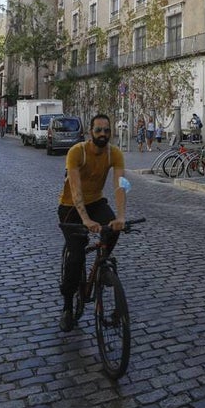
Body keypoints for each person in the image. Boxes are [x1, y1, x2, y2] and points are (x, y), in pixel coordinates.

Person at [57, 113, 126, 332]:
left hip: (96, 202)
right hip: (70, 207)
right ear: (90, 133)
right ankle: (68, 306)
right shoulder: (77, 152)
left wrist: (121, 216)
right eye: (98, 130)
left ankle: (102, 264)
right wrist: (85, 220)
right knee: (76, 258)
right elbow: (75, 189)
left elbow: (120, 185)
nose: (103, 134)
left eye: (107, 130)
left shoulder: (114, 154)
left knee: (113, 229)